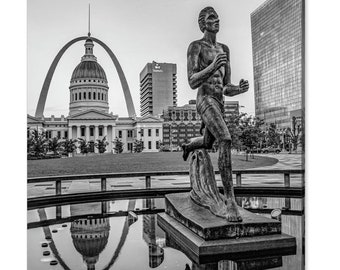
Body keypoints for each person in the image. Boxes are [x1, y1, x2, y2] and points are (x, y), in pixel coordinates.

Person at [182, 7, 249, 222]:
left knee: (209, 142)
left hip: (219, 101)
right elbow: (192, 81)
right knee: (225, 139)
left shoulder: (224, 49)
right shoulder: (196, 47)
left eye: (217, 17)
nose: (217, 20)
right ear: (203, 24)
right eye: (211, 18)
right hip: (204, 99)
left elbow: (226, 86)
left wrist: (239, 89)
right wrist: (212, 66)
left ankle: (190, 145)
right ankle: (229, 201)